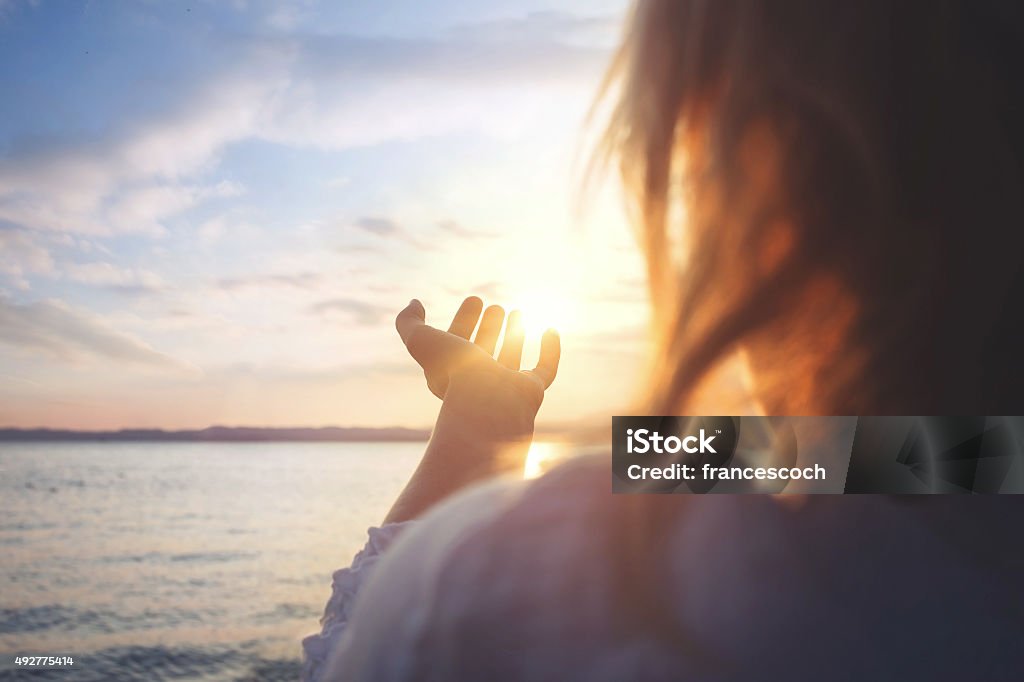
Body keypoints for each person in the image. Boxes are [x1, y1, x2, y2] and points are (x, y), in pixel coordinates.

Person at [302, 1, 1024, 679]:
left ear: (767, 164)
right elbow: (879, 455)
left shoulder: (508, 591)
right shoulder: (966, 460)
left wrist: (474, 434)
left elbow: (358, 660)